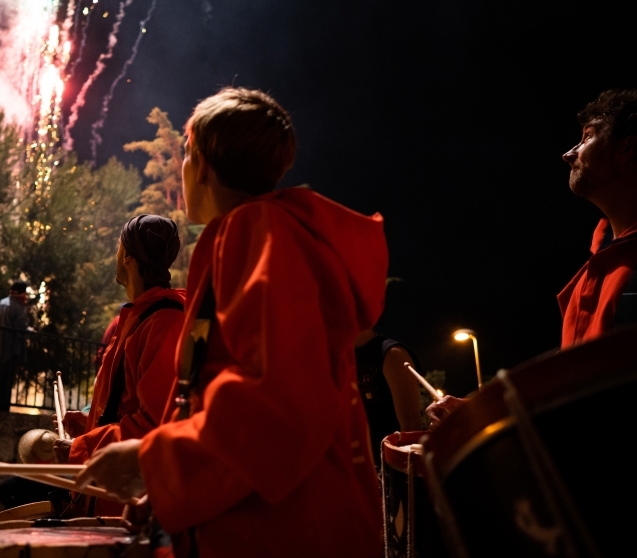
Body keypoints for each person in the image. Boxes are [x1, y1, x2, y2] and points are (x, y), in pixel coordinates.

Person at [76, 88, 387, 557]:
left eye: (185, 155)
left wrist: (152, 462)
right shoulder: (272, 235)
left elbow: (275, 405)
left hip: (284, 533)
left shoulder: (257, 233)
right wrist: (165, 496)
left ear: (200, 162)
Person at [428, 89, 637, 428]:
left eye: (587, 138)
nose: (569, 154)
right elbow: (572, 387)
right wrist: (480, 411)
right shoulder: (595, 269)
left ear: (627, 149)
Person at [53, 214, 185, 516]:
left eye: (118, 246)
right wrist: (88, 423)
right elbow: (124, 405)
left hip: (127, 506)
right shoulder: (140, 318)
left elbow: (155, 426)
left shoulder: (165, 323)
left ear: (127, 257)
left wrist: (82, 448)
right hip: (107, 495)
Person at [354, 326, 423, 464]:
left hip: (389, 472)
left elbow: (411, 428)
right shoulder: (341, 358)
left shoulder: (392, 354)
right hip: (360, 469)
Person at [0, 281, 30, 412]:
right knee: (7, 383)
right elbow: (20, 329)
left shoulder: (2, 304)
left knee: (3, 382)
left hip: (0, 347)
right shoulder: (18, 307)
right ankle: (2, 410)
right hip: (12, 349)